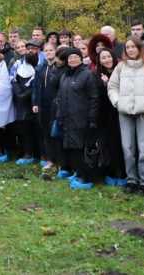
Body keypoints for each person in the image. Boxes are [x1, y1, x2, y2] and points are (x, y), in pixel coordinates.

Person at [108, 37, 144, 195]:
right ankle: (132, 179)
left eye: (134, 46)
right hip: (125, 113)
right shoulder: (120, 67)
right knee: (128, 148)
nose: (131, 49)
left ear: (140, 48)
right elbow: (112, 87)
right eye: (128, 47)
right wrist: (118, 102)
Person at [55, 48, 100, 189]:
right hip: (67, 118)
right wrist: (59, 116)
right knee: (72, 148)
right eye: (70, 57)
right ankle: (77, 171)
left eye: (75, 57)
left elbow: (94, 98)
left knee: (82, 147)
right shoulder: (65, 76)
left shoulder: (87, 75)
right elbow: (61, 97)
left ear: (81, 58)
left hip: (82, 118)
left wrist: (92, 118)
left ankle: (85, 177)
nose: (72, 59)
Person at [33, 43, 66, 175]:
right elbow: (36, 86)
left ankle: (61, 162)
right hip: (44, 105)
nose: (48, 52)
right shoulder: (40, 67)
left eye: (51, 50)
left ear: (56, 52)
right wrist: (34, 102)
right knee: (47, 133)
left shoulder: (61, 67)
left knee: (58, 133)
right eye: (46, 50)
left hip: (57, 105)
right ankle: (51, 159)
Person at [95, 49, 125, 186]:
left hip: (121, 112)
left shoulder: (122, 71)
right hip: (105, 115)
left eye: (108, 57)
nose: (107, 60)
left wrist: (110, 84)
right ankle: (110, 172)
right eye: (103, 58)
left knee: (122, 144)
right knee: (108, 144)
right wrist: (104, 85)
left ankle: (123, 173)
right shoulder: (96, 75)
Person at [11, 44, 39, 165]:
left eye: (33, 49)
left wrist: (27, 94)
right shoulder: (18, 63)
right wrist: (19, 93)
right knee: (24, 129)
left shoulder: (41, 63)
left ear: (38, 50)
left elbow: (38, 83)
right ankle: (27, 153)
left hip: (34, 101)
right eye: (28, 49)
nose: (30, 51)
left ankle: (40, 154)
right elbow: (12, 78)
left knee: (37, 129)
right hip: (21, 101)